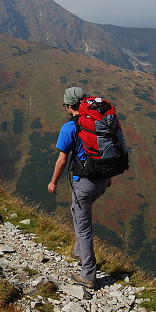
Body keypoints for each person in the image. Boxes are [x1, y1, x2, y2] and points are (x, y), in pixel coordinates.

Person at [47, 86, 110, 290]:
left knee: (83, 227)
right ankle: (78, 252)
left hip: (83, 182)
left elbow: (62, 159)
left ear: (68, 106)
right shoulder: (98, 122)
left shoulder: (70, 128)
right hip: (102, 180)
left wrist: (53, 182)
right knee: (78, 212)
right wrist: (108, 177)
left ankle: (88, 275)